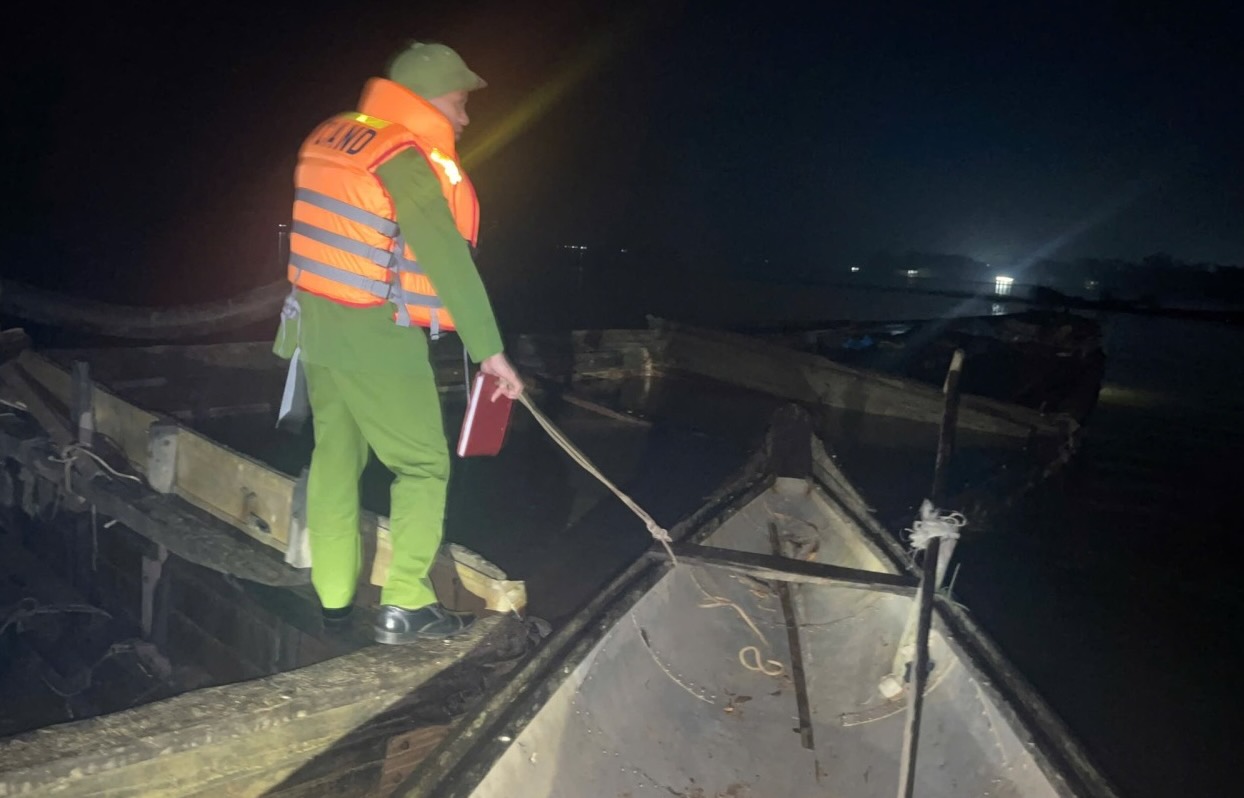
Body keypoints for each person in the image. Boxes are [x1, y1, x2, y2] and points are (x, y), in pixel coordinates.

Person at [272, 41, 524, 645]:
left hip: (314, 325)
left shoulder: (330, 137)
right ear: (426, 98)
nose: (464, 118)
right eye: (460, 104)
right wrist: (490, 351)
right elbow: (447, 261)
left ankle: (333, 600)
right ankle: (407, 603)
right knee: (423, 465)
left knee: (336, 455)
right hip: (375, 333)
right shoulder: (403, 158)